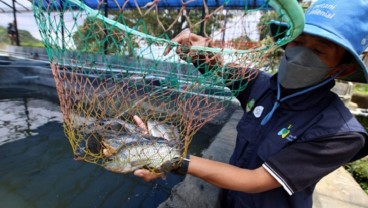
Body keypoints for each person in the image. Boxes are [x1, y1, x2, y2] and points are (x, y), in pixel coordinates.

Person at [134, 0, 368, 207]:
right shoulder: (260, 84)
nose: (300, 54)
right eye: (297, 41)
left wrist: (171, 158)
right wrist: (200, 49)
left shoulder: (340, 133)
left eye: (318, 50)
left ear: (343, 68)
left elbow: (255, 180)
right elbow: (220, 69)